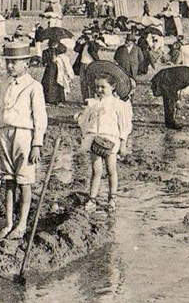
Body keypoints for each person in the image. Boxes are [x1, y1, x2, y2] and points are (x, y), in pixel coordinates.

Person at [0, 41, 47, 240]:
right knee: (8, 180)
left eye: (14, 62)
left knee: (24, 181)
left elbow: (40, 117)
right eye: (8, 62)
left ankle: (22, 224)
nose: (10, 66)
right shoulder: (4, 84)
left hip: (24, 134)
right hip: (4, 132)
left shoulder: (34, 86)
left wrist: (37, 144)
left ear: (26, 63)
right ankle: (8, 223)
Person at [76, 73, 132, 212]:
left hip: (110, 140)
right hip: (95, 139)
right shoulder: (93, 103)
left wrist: (123, 145)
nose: (99, 90)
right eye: (97, 87)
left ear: (113, 87)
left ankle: (112, 198)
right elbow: (84, 121)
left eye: (103, 87)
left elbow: (124, 126)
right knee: (96, 170)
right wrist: (82, 130)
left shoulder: (118, 105)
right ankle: (92, 198)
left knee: (111, 169)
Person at [150, 65, 189, 130]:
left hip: (165, 80)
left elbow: (177, 86)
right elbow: (173, 88)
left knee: (171, 100)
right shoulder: (187, 77)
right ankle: (170, 123)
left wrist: (177, 98)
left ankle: (170, 122)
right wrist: (177, 100)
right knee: (170, 101)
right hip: (162, 81)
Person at [41, 40, 74, 105]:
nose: (53, 45)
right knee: (49, 83)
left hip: (58, 68)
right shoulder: (46, 51)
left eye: (55, 43)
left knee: (59, 82)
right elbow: (44, 61)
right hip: (50, 69)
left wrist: (57, 49)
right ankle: (48, 99)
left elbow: (64, 50)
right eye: (52, 43)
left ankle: (59, 100)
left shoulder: (59, 50)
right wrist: (50, 59)